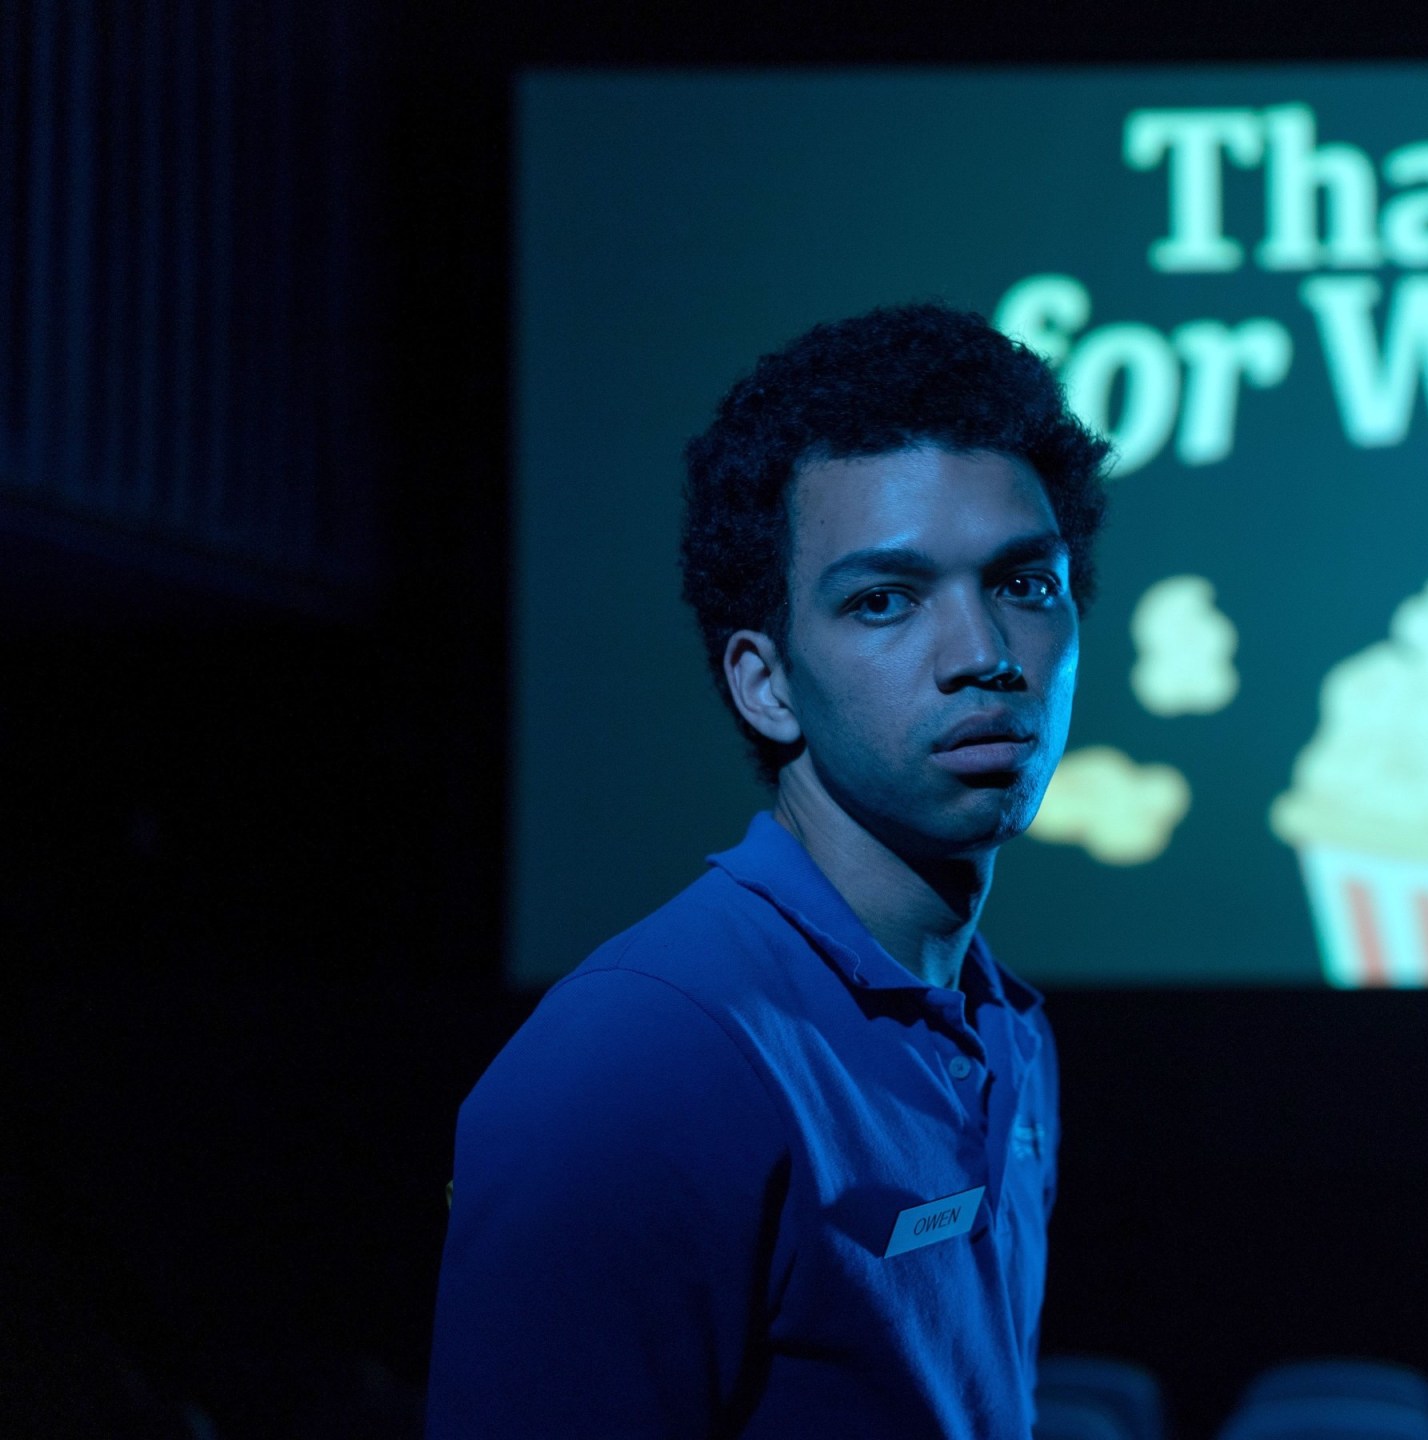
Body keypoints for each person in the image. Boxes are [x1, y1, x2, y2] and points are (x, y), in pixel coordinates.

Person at [426, 302, 1110, 1439]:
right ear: (765, 683)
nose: (986, 655)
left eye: (1024, 585)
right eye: (884, 599)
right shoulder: (642, 1060)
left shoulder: (1001, 1027)